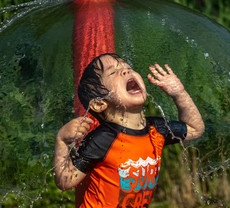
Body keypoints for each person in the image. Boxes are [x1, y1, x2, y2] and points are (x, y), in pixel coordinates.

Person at [53, 53, 205, 207]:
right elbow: (65, 181)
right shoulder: (103, 139)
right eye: (113, 72)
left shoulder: (156, 129)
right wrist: (61, 141)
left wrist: (179, 93)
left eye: (128, 67)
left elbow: (195, 129)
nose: (126, 71)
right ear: (99, 103)